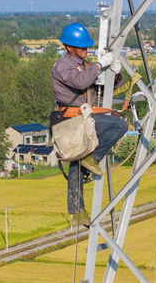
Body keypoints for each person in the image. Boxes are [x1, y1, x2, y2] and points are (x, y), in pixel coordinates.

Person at [51, 22, 128, 227]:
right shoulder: (63, 66)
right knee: (119, 126)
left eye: (87, 47)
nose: (86, 50)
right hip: (72, 123)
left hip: (83, 120)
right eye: (82, 47)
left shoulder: (83, 65)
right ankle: (92, 159)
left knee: (78, 162)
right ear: (69, 48)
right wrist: (99, 65)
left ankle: (78, 213)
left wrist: (115, 72)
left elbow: (102, 86)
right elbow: (80, 82)